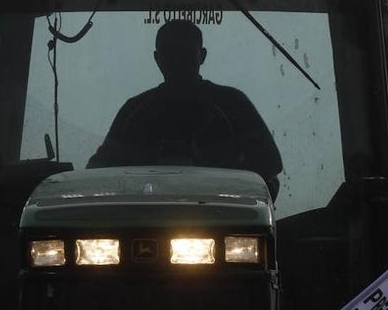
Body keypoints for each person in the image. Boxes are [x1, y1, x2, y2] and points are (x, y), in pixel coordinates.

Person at [88, 19, 284, 198]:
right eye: (169, 52)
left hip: (219, 215)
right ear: (157, 58)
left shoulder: (233, 104)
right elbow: (99, 171)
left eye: (184, 52)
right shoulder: (231, 103)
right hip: (150, 216)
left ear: (202, 55)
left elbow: (270, 164)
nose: (176, 59)